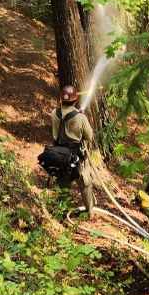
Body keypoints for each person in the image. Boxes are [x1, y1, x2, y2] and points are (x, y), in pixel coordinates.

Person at [50, 85, 95, 216]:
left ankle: (61, 210)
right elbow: (90, 137)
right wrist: (79, 117)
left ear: (61, 99)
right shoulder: (80, 117)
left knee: (63, 182)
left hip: (58, 154)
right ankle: (89, 210)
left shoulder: (54, 113)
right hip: (75, 156)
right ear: (75, 101)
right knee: (85, 181)